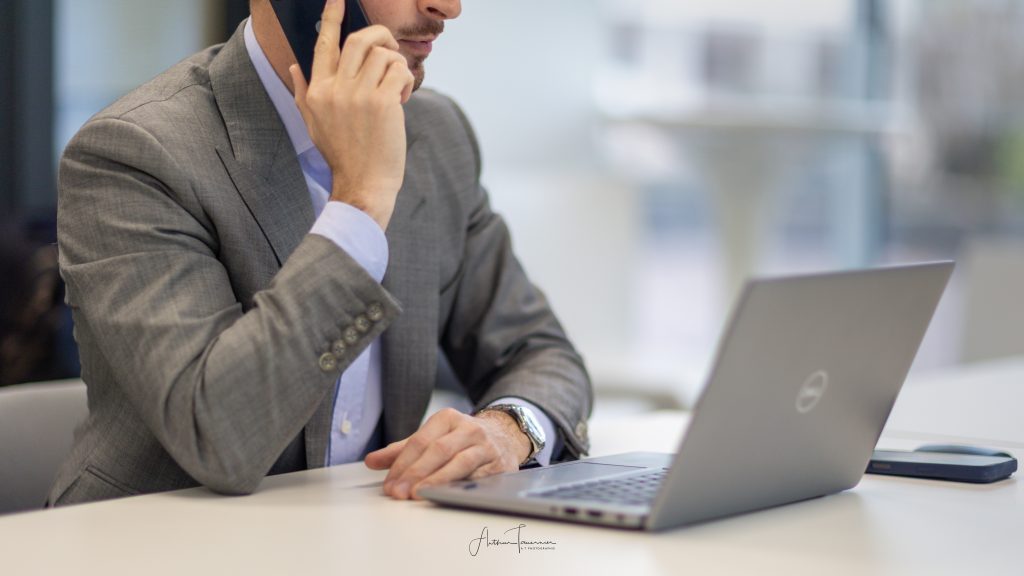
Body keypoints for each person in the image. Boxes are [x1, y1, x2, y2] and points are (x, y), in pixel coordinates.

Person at [50, 0, 591, 506]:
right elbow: (219, 435)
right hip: (152, 543)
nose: (448, 6)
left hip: (366, 538)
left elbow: (542, 353)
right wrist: (360, 201)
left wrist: (509, 428)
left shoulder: (437, 133)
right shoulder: (134, 153)